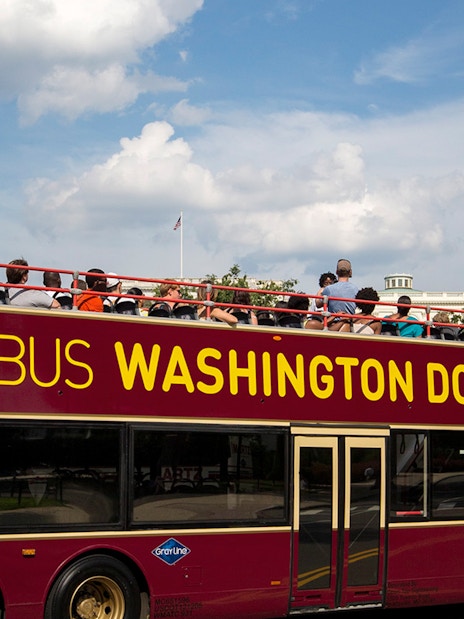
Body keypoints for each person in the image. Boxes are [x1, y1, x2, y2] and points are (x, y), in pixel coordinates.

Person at [305, 259, 358, 331]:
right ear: (350, 272)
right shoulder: (356, 289)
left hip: (333, 323)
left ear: (336, 272)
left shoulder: (329, 289)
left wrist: (321, 289)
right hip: (350, 323)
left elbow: (318, 303)